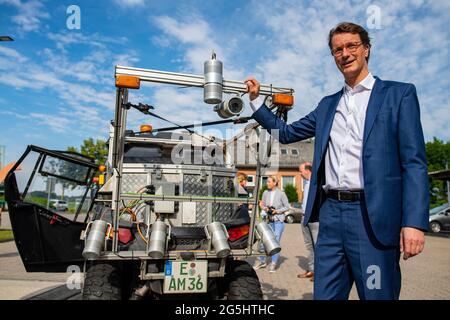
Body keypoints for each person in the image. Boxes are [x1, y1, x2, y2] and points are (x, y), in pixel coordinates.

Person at [245, 22, 429, 300]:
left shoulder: (398, 94)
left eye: (351, 46)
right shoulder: (327, 105)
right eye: (337, 50)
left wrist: (414, 222)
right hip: (330, 217)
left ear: (366, 49)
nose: (344, 53)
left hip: (372, 217)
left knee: (377, 294)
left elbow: (414, 163)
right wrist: (257, 103)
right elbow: (285, 133)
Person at [254, 176, 290, 273]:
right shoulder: (265, 193)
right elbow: (263, 204)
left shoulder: (281, 194)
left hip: (278, 221)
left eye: (269, 182)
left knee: (275, 242)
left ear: (275, 183)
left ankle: (273, 264)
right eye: (267, 182)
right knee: (263, 241)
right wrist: (264, 208)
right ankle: (262, 261)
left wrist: (277, 211)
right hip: (268, 221)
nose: (267, 183)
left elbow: (287, 207)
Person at [297, 162, 319, 282]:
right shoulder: (306, 184)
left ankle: (319, 273)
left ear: (308, 170)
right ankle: (311, 270)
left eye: (301, 171)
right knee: (309, 246)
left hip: (314, 219)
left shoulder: (317, 184)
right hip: (304, 217)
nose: (299, 173)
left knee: (317, 246)